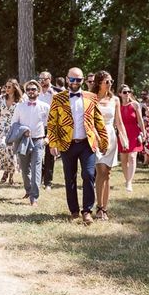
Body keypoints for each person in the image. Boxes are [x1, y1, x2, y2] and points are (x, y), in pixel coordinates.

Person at [47, 67, 108, 225]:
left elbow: (99, 121)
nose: (75, 82)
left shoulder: (91, 97)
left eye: (78, 80)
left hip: (87, 143)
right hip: (67, 144)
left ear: (83, 81)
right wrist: (53, 143)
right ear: (67, 79)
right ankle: (74, 210)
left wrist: (103, 140)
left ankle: (87, 211)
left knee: (89, 175)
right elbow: (52, 122)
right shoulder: (58, 98)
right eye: (72, 79)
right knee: (70, 178)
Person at [9, 80, 49, 207]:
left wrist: (47, 138)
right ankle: (28, 190)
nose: (31, 91)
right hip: (23, 141)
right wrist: (23, 130)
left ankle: (34, 197)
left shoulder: (45, 107)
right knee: (25, 169)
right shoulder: (20, 107)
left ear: (38, 91)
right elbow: (14, 123)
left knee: (36, 168)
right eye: (29, 89)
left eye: (33, 89)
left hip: (38, 140)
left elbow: (50, 125)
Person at [94, 71, 128, 220]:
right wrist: (95, 135)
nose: (109, 84)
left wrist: (124, 138)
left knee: (107, 173)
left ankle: (104, 208)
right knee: (100, 170)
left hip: (111, 136)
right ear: (99, 83)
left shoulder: (115, 99)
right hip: (96, 136)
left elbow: (119, 122)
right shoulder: (92, 98)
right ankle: (98, 206)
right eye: (106, 81)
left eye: (111, 81)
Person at [118, 84, 146, 191]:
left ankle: (129, 182)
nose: (127, 94)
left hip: (134, 132)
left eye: (129, 91)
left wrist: (143, 133)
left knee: (133, 156)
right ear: (120, 94)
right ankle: (127, 180)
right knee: (124, 158)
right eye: (124, 92)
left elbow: (140, 120)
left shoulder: (135, 104)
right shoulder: (118, 105)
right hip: (122, 133)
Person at [0, 78, 22, 184]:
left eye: (9, 87)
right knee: (2, 149)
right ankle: (6, 171)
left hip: (14, 128)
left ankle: (9, 175)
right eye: (6, 86)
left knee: (11, 151)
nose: (6, 88)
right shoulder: (0, 99)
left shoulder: (20, 101)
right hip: (1, 128)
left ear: (15, 88)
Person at [38, 71, 59, 190]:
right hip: (40, 126)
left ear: (49, 79)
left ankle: (48, 182)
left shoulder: (56, 92)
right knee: (38, 153)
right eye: (40, 79)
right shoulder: (37, 92)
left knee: (50, 154)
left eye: (44, 79)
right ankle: (39, 177)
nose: (41, 81)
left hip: (52, 126)